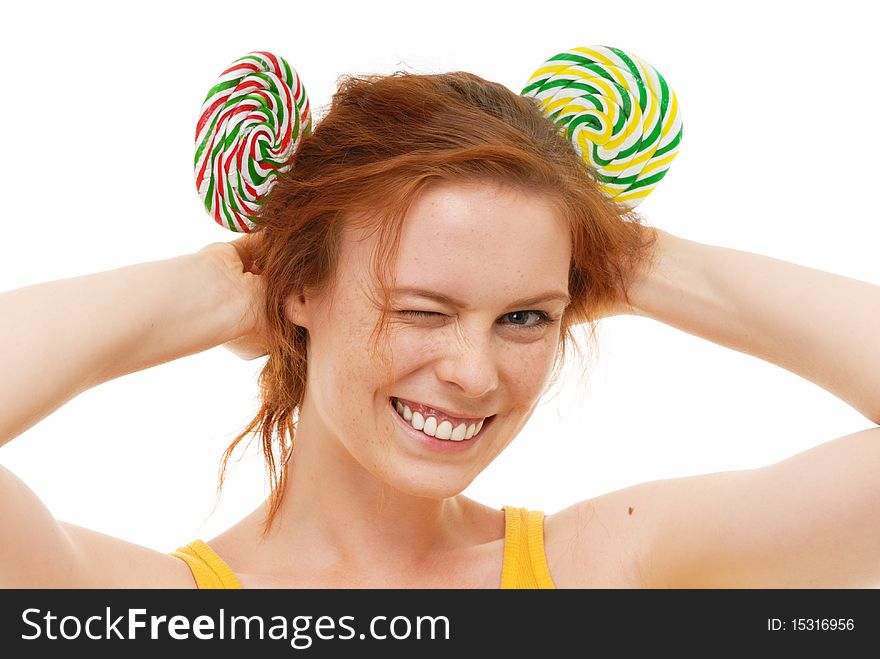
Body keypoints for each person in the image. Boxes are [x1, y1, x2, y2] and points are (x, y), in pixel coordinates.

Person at [1, 69, 878, 589]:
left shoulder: (607, 570)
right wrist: (217, 290)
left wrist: (637, 262)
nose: (473, 371)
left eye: (524, 316)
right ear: (302, 287)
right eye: (421, 309)